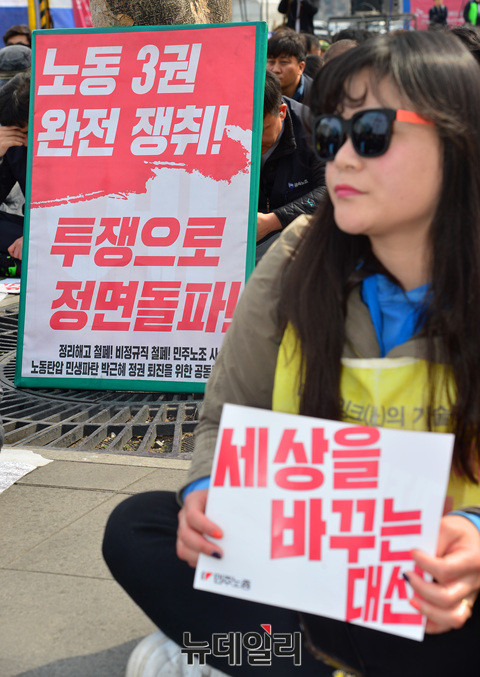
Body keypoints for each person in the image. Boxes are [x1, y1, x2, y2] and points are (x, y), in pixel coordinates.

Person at [103, 31, 480, 676]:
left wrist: (472, 532)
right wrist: (206, 492)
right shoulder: (300, 253)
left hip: (438, 588)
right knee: (140, 526)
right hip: (306, 562)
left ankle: (248, 656)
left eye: (373, 133)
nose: (343, 160)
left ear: (458, 141)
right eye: (331, 135)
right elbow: (227, 413)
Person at [256, 71, 325, 262]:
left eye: (264, 130)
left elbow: (329, 190)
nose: (255, 141)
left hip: (306, 233)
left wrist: (273, 220)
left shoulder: (316, 129)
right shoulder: (219, 129)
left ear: (282, 112)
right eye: (247, 132)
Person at [0, 71, 29, 269]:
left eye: (26, 133)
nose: (23, 141)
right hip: (30, 227)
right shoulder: (15, 145)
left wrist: (35, 236)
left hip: (76, 229)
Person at [267, 30, 312, 104]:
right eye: (271, 61)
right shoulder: (256, 93)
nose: (275, 69)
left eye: (284, 62)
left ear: (301, 67)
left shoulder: (317, 96)